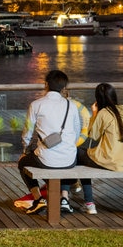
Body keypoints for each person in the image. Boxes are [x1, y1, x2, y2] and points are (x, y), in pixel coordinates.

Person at [70, 83, 123, 214]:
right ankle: (79, 191)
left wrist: (94, 113)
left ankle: (88, 201)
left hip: (112, 160)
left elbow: (92, 135)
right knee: (85, 156)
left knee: (77, 153)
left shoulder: (103, 113)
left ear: (98, 99)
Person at [18, 69, 82, 215]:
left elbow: (27, 133)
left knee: (22, 163)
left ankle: (38, 199)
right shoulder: (71, 105)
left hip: (46, 158)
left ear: (45, 84)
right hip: (69, 159)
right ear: (64, 87)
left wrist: (25, 150)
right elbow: (76, 131)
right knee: (63, 165)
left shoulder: (36, 104)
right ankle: (64, 199)